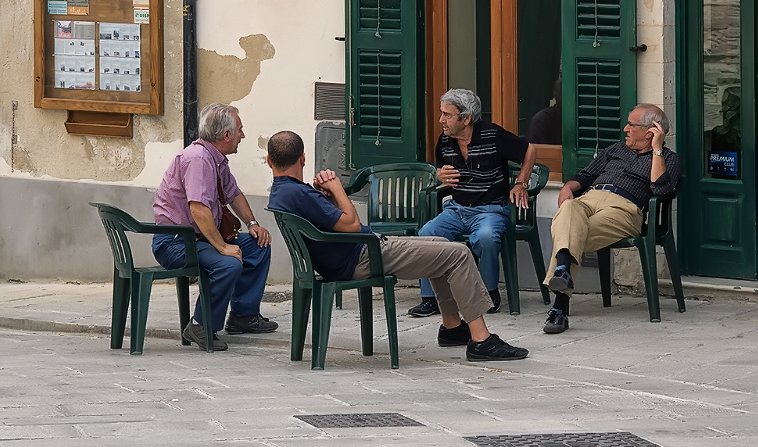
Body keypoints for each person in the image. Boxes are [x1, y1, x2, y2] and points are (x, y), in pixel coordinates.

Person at [266, 131, 529, 362]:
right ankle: (482, 340)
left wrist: (329, 199)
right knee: (458, 253)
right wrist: (337, 189)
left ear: (269, 162)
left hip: (353, 254)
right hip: (364, 255)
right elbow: (353, 225)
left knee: (438, 244)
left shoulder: (283, 192)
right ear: (302, 158)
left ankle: (451, 327)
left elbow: (330, 223)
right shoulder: (299, 193)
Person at [542, 103, 682, 334]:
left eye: (631, 125)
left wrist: (656, 150)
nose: (625, 129)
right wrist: (568, 186)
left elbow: (660, 189)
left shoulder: (669, 158)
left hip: (624, 210)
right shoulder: (616, 149)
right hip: (589, 199)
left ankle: (560, 306)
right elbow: (586, 175)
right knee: (569, 209)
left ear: (650, 131)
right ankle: (562, 274)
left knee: (570, 236)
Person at [152, 103, 277, 352]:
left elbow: (234, 194)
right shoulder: (198, 159)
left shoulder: (216, 159)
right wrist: (222, 247)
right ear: (226, 135)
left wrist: (253, 224)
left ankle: (243, 315)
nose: (243, 135)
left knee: (258, 246)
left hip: (201, 238)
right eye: (240, 130)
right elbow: (198, 209)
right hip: (176, 242)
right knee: (228, 264)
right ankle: (200, 324)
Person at [407, 89, 537, 317]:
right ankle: (431, 298)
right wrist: (441, 176)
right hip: (456, 210)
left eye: (447, 115)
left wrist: (520, 184)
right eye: (441, 113)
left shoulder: (493, 135)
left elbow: (530, 150)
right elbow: (442, 170)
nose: (441, 120)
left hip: (490, 210)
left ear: (466, 118)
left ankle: (488, 293)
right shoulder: (445, 140)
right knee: (427, 233)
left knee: (486, 237)